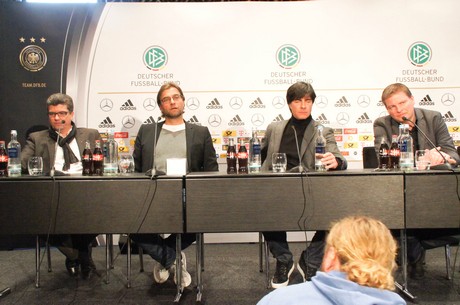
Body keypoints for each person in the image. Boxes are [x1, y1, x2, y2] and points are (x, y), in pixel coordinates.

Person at [261, 81, 347, 288]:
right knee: (261, 210)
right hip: (279, 190)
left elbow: (338, 158)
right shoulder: (275, 128)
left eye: (308, 101)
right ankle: (284, 259)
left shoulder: (323, 131)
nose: (303, 105)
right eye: (298, 101)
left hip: (312, 191)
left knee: (337, 217)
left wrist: (335, 162)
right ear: (290, 104)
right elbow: (263, 156)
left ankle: (310, 260)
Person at [131, 82, 218, 287]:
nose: (172, 101)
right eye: (166, 99)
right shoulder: (147, 131)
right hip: (152, 195)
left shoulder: (200, 132)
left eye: (176, 97)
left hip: (188, 196)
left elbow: (211, 169)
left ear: (183, 101)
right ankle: (172, 259)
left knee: (200, 221)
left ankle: (165, 256)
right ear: (161, 107)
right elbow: (137, 168)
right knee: (130, 225)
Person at [374, 82, 460, 279]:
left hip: (433, 191)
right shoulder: (382, 124)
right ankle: (411, 254)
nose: (398, 110)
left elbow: (452, 153)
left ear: (412, 100)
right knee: (399, 213)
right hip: (399, 191)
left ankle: (413, 250)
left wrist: (444, 157)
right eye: (391, 107)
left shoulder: (433, 117)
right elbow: (383, 156)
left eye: (402, 103)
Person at [21, 93, 101, 279]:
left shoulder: (90, 134)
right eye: (52, 114)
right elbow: (24, 164)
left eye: (62, 113)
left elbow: (102, 164)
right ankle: (79, 255)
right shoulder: (37, 138)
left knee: (101, 211)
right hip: (52, 194)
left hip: (86, 193)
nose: (57, 118)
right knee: (36, 218)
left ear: (71, 114)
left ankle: (76, 255)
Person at [257, 216, 406, 305]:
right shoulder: (395, 302)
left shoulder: (277, 300)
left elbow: (341, 162)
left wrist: (338, 161)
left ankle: (308, 262)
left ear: (330, 257)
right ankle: (287, 260)